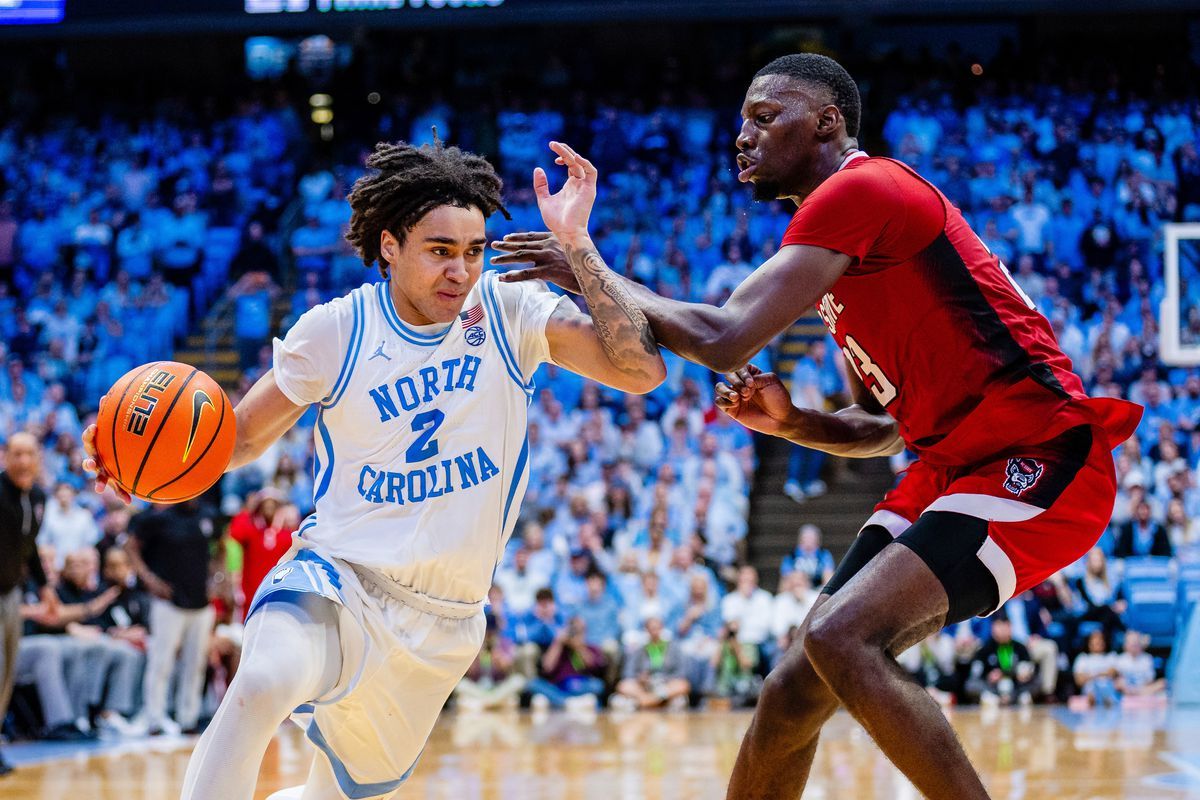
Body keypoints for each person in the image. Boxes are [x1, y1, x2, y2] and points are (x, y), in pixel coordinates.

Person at [494, 54, 1143, 799]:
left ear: (828, 123)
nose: (742, 136)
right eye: (741, 120)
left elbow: (724, 336)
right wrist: (796, 422)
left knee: (842, 636)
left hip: (1040, 451)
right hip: (951, 465)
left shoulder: (863, 189)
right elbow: (883, 429)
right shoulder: (846, 258)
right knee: (791, 688)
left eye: (765, 118)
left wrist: (585, 266)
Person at [84, 138, 664, 800]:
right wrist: (127, 458)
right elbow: (238, 437)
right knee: (263, 682)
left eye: (473, 252)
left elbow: (639, 369)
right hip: (340, 578)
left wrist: (578, 246)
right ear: (390, 245)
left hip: (444, 621)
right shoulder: (337, 329)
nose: (460, 270)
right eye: (440, 251)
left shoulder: (511, 309)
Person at [126, 498, 220, 736]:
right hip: (169, 602)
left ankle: (188, 718)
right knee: (161, 662)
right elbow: (130, 546)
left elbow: (222, 547)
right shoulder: (159, 518)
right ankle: (154, 719)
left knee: (195, 663)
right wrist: (149, 579)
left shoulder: (208, 515)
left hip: (201, 602)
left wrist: (218, 579)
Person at [0, 432, 59, 775]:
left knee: (7, 672)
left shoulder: (37, 496)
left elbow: (30, 547)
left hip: (11, 592)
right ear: (6, 456)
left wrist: (46, 588)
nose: (23, 461)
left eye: (29, 455)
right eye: (16, 454)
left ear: (38, 459)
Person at [1072, 628, 1119, 707]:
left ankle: (1106, 701)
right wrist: (1102, 674)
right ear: (1089, 643)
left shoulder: (1111, 656)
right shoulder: (1082, 658)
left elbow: (1113, 673)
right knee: (1091, 686)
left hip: (1108, 688)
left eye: (1100, 639)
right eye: (1095, 639)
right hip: (1090, 690)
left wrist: (1091, 675)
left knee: (1107, 685)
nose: (1098, 641)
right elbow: (1079, 680)